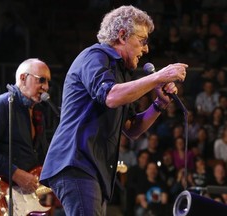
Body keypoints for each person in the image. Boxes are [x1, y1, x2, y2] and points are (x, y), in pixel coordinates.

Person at [40, 5, 188, 215]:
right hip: (77, 162)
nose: (146, 49)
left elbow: (132, 129)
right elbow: (111, 96)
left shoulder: (121, 73)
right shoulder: (94, 57)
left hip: (94, 169)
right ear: (121, 35)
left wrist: (159, 104)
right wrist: (158, 76)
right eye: (142, 40)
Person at [0, 58, 51, 216]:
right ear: (23, 78)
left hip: (20, 196)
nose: (46, 87)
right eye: (41, 80)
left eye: (48, 81)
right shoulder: (0, 105)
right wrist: (16, 173)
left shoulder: (37, 114)